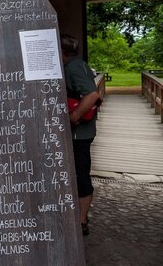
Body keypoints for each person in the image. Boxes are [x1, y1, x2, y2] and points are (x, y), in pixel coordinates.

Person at [61, 33, 102, 236]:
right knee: (78, 173)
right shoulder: (79, 64)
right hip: (83, 133)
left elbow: (92, 95)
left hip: (80, 134)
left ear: (62, 51)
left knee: (80, 175)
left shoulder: (73, 67)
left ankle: (81, 220)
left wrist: (73, 116)